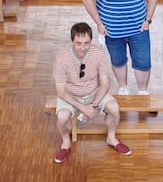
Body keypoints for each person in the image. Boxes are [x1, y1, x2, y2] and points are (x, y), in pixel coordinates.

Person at [53, 22, 132, 164]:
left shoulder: (98, 54)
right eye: (78, 43)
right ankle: (66, 143)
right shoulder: (61, 59)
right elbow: (61, 91)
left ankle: (111, 138)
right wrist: (82, 107)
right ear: (72, 41)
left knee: (114, 108)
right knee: (62, 118)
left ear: (91, 41)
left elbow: (105, 83)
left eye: (87, 43)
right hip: (70, 95)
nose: (83, 48)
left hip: (94, 92)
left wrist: (94, 104)